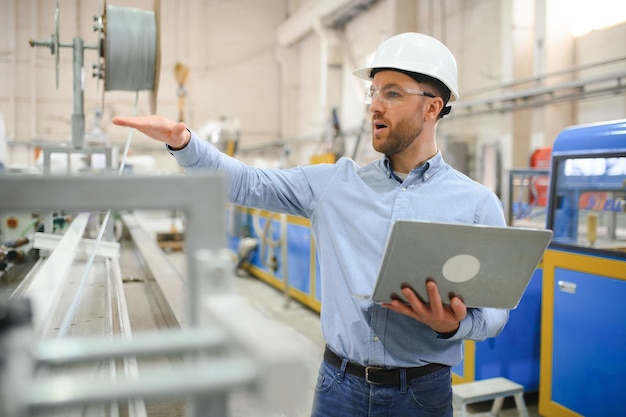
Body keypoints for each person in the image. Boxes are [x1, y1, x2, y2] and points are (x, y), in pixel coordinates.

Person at [113, 32, 509, 417]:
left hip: (422, 396)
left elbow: (495, 309)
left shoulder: (475, 204)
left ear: (432, 108)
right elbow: (248, 184)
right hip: (340, 388)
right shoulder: (334, 183)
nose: (375, 106)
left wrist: (454, 325)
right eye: (373, 93)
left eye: (392, 93)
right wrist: (184, 143)